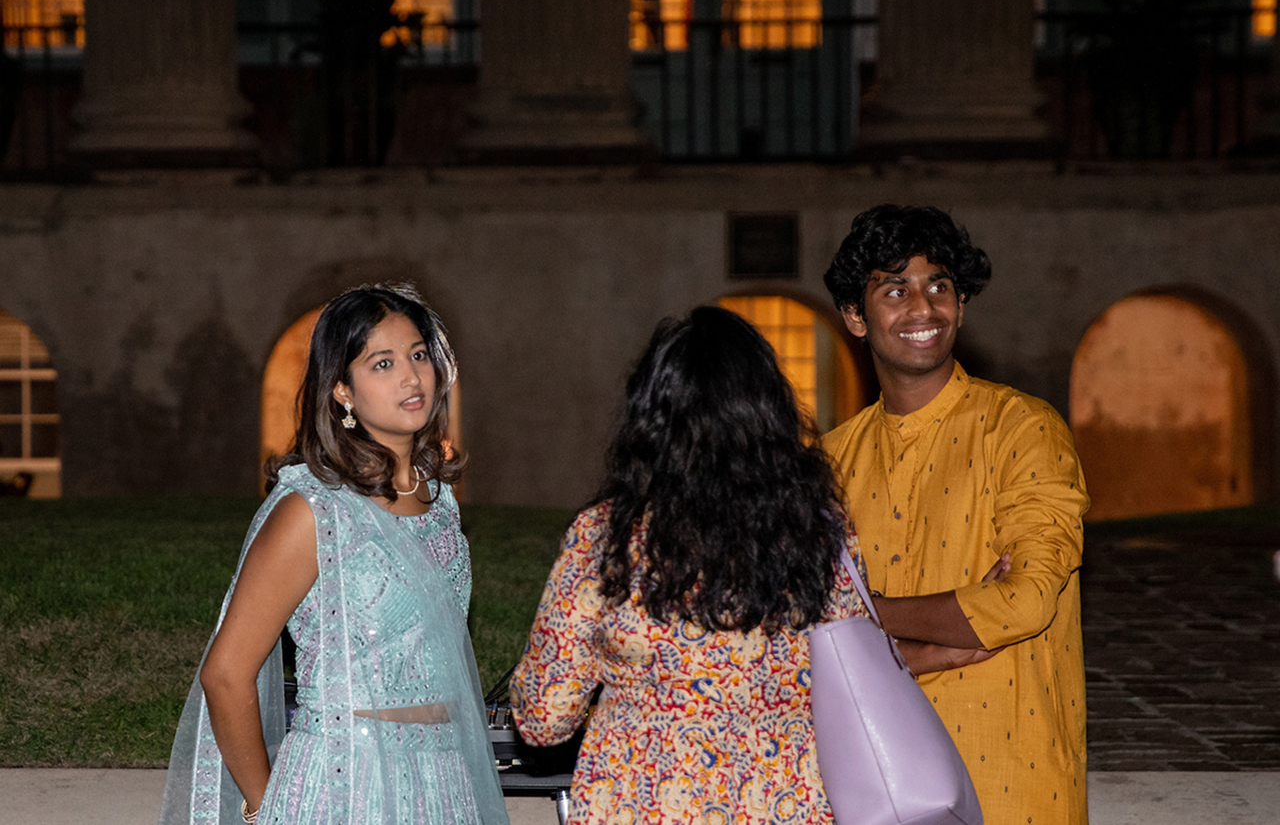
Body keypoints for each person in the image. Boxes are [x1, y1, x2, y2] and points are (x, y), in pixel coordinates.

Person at [158, 283, 509, 825]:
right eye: (382, 363)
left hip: (446, 783)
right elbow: (225, 674)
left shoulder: (439, 502)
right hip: (345, 784)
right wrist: (263, 805)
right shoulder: (312, 511)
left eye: (418, 355)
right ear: (342, 391)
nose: (411, 377)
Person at [509, 306, 873, 824]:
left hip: (646, 805)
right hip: (788, 804)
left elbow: (544, 718)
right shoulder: (822, 534)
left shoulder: (607, 538)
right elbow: (853, 681)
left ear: (649, 419)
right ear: (771, 413)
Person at [822, 204, 1091, 825]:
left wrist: (872, 612)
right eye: (895, 289)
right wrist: (946, 637)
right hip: (871, 778)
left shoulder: (1022, 429)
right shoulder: (829, 463)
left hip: (1010, 781)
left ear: (961, 306)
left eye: (939, 286)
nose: (924, 309)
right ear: (856, 318)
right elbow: (808, 636)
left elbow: (1025, 603)